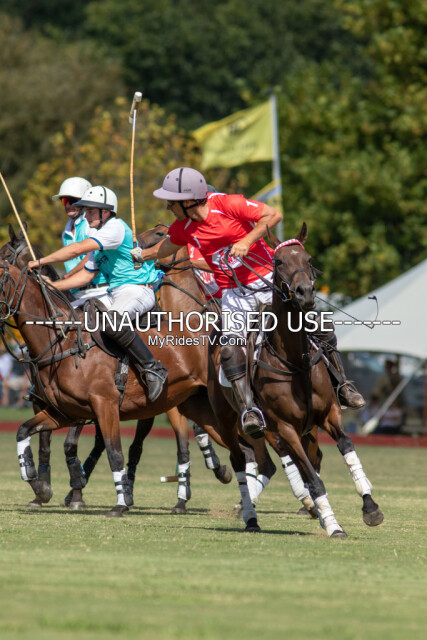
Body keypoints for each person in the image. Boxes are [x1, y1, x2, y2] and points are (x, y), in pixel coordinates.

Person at [131, 167, 366, 437]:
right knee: (230, 350)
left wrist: (246, 240)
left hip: (266, 281)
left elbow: (273, 215)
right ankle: (249, 410)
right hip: (234, 293)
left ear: (189, 200)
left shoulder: (227, 204)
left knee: (319, 325)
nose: (168, 207)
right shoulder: (183, 227)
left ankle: (342, 385)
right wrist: (141, 255)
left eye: (171, 201)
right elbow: (167, 246)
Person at [28, 185, 167, 402]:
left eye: (91, 211)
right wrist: (52, 286)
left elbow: (76, 249)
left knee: (112, 323)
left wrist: (40, 261)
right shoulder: (100, 238)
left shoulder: (115, 229)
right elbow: (85, 276)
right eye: (86, 211)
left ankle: (153, 368)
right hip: (115, 293)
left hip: (138, 290)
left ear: (106, 212)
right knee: (65, 320)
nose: (86, 215)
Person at [52, 177, 109, 303]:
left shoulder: (91, 225)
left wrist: (68, 276)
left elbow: (91, 256)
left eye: (72, 201)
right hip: (76, 294)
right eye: (64, 201)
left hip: (100, 291)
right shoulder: (66, 232)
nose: (68, 205)